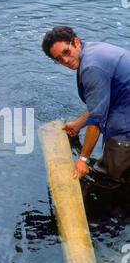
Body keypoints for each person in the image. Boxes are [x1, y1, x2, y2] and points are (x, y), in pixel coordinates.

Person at [42, 26, 130, 181]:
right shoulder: (92, 49)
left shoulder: (91, 68)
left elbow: (96, 118)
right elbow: (101, 102)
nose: (66, 61)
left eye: (66, 52)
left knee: (110, 171)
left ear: (75, 42)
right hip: (124, 98)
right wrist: (77, 124)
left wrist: (83, 160)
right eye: (58, 59)